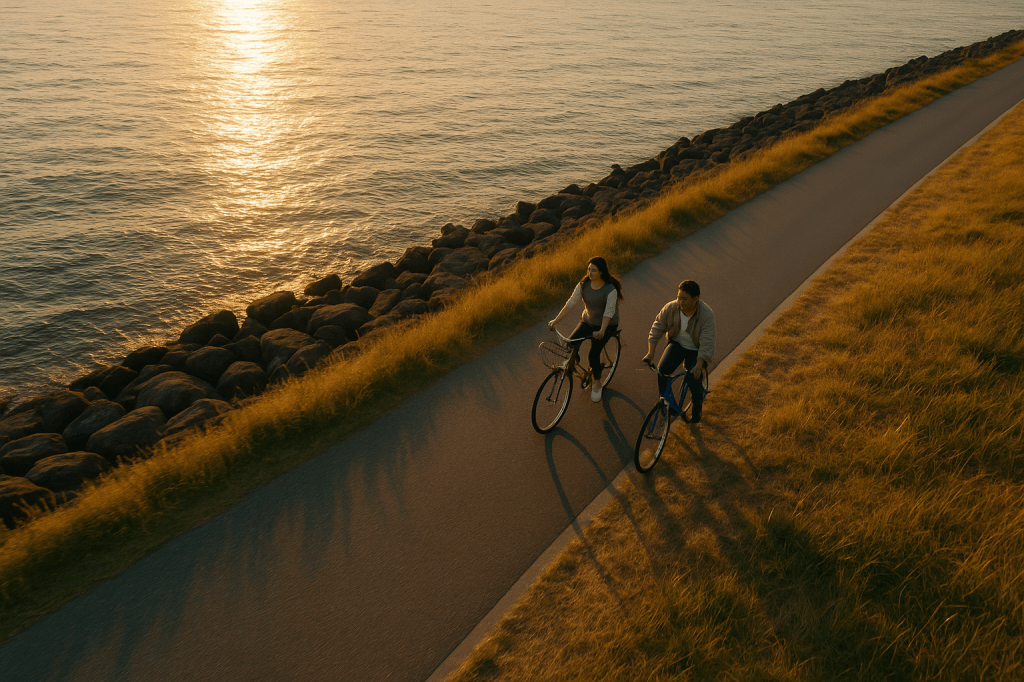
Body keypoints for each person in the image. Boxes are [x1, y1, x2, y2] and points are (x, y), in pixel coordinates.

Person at [548, 256, 623, 402]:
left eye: (594, 270)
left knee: (593, 354)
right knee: (570, 343)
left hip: (606, 325)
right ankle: (574, 361)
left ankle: (596, 381)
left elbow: (608, 312)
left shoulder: (610, 289)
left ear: (601, 272)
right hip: (588, 321)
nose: (590, 272)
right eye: (589, 269)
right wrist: (555, 321)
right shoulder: (583, 284)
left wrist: (602, 331)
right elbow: (571, 303)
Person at [641, 280, 716, 422]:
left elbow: (708, 341)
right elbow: (657, 328)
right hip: (677, 344)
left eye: (684, 299)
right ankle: (667, 404)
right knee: (662, 370)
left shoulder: (706, 314)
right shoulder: (671, 308)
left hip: (697, 350)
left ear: (696, 299)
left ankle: (697, 405)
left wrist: (699, 364)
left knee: (693, 378)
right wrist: (651, 352)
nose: (680, 302)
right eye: (678, 297)